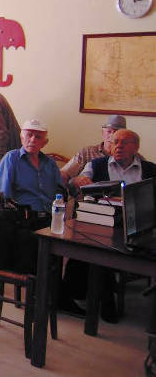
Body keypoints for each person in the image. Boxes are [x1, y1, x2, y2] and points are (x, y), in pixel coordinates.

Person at [62, 129, 156, 323]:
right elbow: (73, 182)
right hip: (101, 221)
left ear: (136, 147)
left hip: (134, 226)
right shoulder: (96, 164)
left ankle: (104, 296)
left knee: (107, 247)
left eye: (124, 142)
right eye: (115, 142)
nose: (118, 146)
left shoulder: (149, 169)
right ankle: (105, 298)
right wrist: (77, 180)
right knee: (97, 244)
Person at [0, 119, 65, 215]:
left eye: (38, 137)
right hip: (22, 217)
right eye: (29, 135)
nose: (33, 139)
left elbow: (60, 193)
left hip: (50, 216)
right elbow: (3, 197)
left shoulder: (50, 163)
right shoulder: (11, 158)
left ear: (44, 143)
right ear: (22, 138)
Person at [61, 115, 126, 183]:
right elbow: (65, 173)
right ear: (102, 133)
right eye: (109, 132)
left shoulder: (128, 155)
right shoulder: (87, 152)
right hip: (86, 189)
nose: (112, 136)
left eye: (116, 132)